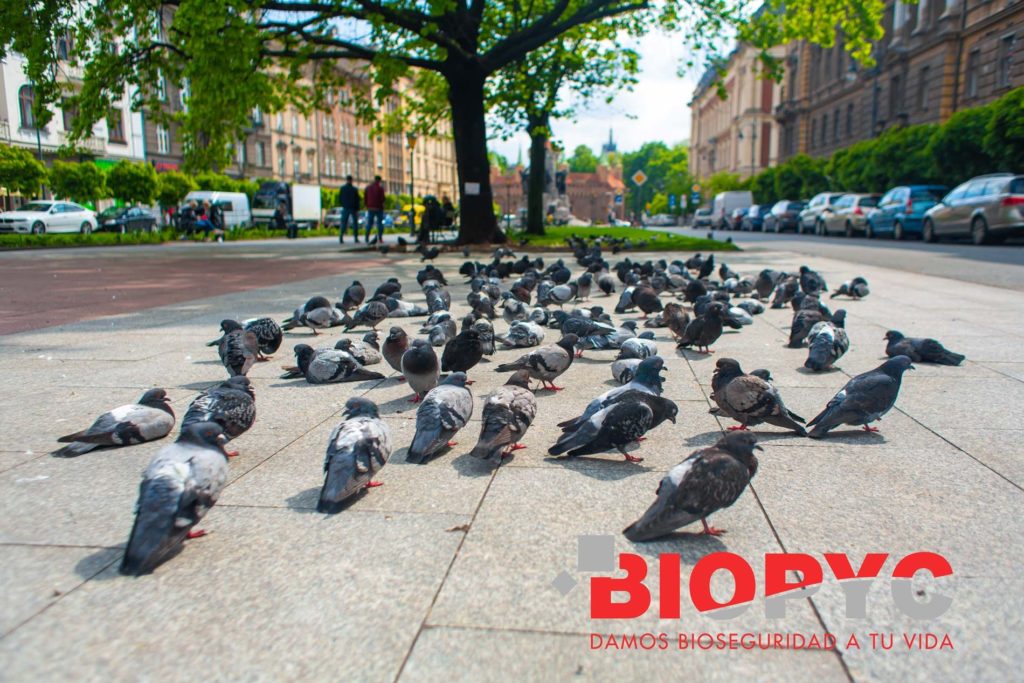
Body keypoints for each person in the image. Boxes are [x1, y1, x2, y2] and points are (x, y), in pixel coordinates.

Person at [363, 175, 386, 244]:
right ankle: (380, 238)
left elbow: (365, 197)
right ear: (379, 181)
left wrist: (367, 205)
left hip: (370, 208)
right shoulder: (380, 188)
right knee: (380, 224)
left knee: (369, 223)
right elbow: (382, 198)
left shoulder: (368, 188)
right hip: (379, 208)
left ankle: (367, 237)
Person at [338, 175, 360, 243]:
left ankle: (341, 237)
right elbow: (357, 199)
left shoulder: (342, 188)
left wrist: (343, 204)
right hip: (353, 208)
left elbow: (340, 198)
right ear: (351, 180)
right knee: (355, 224)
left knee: (343, 223)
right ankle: (355, 238)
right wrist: (357, 208)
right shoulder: (354, 189)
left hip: (346, 207)